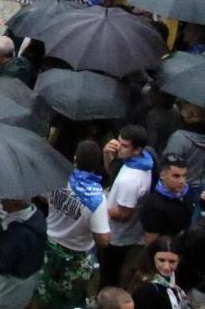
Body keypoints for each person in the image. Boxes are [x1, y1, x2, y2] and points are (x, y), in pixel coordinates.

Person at [39, 140, 111, 309]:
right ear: (98, 164)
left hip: (48, 247)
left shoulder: (57, 177)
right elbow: (102, 240)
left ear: (75, 158)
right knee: (68, 302)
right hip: (75, 259)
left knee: (42, 293)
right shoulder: (97, 199)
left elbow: (43, 196)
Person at [102, 125, 155, 287]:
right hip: (127, 233)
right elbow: (113, 173)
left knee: (109, 271)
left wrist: (98, 207)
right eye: (119, 142)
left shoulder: (130, 180)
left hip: (117, 235)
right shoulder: (143, 159)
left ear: (137, 149)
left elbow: (123, 215)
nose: (119, 147)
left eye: (124, 145)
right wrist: (107, 154)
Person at [0, 198, 48, 309]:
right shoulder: (36, 215)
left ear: (14, 202)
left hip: (2, 295)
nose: (0, 200)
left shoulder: (17, 234)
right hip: (22, 291)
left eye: (4, 198)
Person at [140, 153, 193, 242]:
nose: (182, 181)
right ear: (162, 175)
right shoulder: (153, 206)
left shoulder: (185, 192)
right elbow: (151, 242)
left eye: (184, 176)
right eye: (176, 176)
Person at [129, 237, 189, 309]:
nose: (166, 267)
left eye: (172, 262)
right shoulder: (146, 289)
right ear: (152, 258)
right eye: (161, 260)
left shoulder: (177, 276)